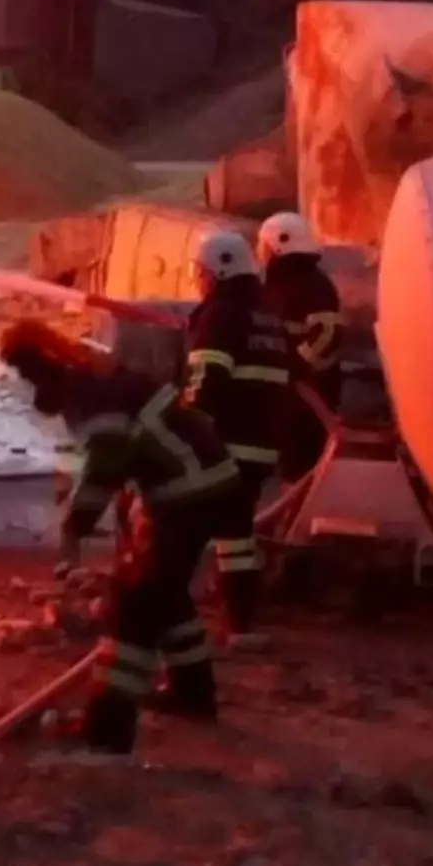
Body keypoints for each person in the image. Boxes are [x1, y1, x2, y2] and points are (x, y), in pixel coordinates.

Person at [0, 319, 243, 755]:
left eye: (27, 376)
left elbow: (106, 463)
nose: (29, 390)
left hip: (188, 494)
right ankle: (193, 695)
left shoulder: (90, 392)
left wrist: (75, 527)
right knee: (165, 595)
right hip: (201, 486)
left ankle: (106, 730)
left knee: (133, 604)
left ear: (44, 369)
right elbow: (125, 455)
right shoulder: (93, 377)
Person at [182, 229, 291, 641]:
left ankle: (160, 614)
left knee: (177, 526)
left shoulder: (221, 313)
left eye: (202, 273)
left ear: (221, 269)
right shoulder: (265, 312)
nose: (200, 281)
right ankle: (241, 625)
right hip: (260, 449)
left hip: (224, 445)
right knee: (236, 537)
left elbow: (205, 382)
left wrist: (181, 431)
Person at [256, 212, 345, 482]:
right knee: (288, 470)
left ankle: (293, 519)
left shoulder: (314, 287)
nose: (259, 251)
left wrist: (294, 365)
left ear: (276, 245)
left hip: (308, 400)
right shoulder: (277, 285)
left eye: (263, 244)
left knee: (300, 472)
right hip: (287, 397)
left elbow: (327, 334)